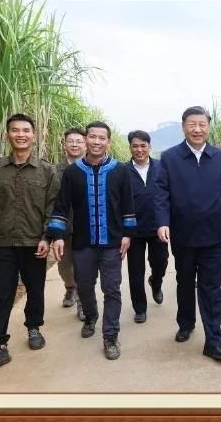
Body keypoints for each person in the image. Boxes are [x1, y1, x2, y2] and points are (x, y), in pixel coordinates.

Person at [0, 113, 59, 375]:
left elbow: (52, 207)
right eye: (15, 130)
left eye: (25, 130)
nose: (20, 135)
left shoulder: (46, 171)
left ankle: (34, 327)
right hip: (2, 242)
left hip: (35, 242)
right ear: (7, 135)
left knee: (35, 288)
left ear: (34, 136)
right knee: (1, 293)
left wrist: (47, 237)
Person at [154, 106, 221, 362]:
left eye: (202, 124)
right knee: (184, 281)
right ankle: (186, 322)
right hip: (183, 236)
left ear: (208, 127)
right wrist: (162, 222)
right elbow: (161, 193)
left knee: (211, 287)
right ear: (183, 127)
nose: (197, 129)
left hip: (215, 236)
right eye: (192, 124)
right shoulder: (170, 158)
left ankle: (214, 341)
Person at [48, 121, 136, 360]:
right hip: (83, 242)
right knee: (84, 286)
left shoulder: (120, 171)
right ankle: (90, 316)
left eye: (102, 138)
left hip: (112, 243)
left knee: (112, 289)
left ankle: (110, 336)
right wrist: (57, 236)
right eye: (93, 137)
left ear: (108, 142)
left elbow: (128, 204)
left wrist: (127, 234)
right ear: (86, 140)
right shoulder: (73, 172)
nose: (97, 142)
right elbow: (61, 205)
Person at [125, 130, 169, 324]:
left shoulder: (161, 167)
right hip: (133, 230)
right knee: (135, 272)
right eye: (135, 146)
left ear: (149, 147)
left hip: (158, 227)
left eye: (143, 146)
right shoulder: (123, 171)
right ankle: (140, 308)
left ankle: (156, 282)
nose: (139, 150)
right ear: (130, 148)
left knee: (160, 263)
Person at [54, 127, 86, 320]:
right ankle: (70, 287)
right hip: (63, 226)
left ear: (85, 144)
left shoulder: (91, 167)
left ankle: (83, 303)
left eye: (79, 141)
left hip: (86, 227)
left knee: (83, 267)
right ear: (64, 144)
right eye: (71, 141)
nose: (74, 144)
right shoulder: (54, 171)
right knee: (65, 267)